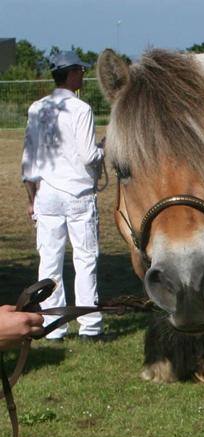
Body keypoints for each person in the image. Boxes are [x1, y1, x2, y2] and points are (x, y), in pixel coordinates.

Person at [20, 49, 104, 342]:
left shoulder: (37, 108)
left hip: (47, 193)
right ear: (70, 74)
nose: (83, 74)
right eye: (80, 70)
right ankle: (90, 325)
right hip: (78, 193)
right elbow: (88, 154)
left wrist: (31, 197)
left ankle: (54, 324)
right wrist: (104, 150)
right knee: (85, 258)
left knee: (50, 260)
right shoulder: (81, 109)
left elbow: (28, 161)